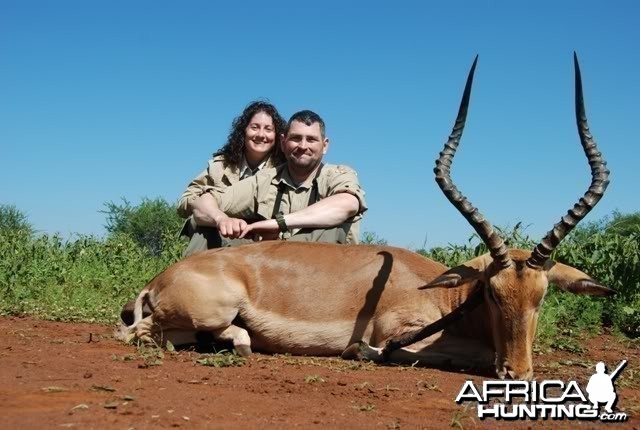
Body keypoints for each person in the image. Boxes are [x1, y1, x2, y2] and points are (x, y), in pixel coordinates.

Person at [192, 109, 367, 245]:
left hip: (324, 279)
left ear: (325, 145)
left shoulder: (338, 174)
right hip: (273, 275)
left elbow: (347, 204)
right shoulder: (265, 179)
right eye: (296, 138)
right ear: (283, 143)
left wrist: (278, 224)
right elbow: (205, 201)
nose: (303, 146)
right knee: (205, 231)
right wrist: (221, 219)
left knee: (331, 230)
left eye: (311, 139)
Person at [178, 100, 287, 256]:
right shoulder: (221, 165)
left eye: (268, 129)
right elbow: (185, 201)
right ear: (244, 131)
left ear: (277, 136)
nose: (261, 135)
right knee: (202, 224)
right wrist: (213, 206)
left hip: (261, 240)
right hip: (218, 232)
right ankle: (191, 274)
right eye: (254, 127)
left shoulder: (283, 170)